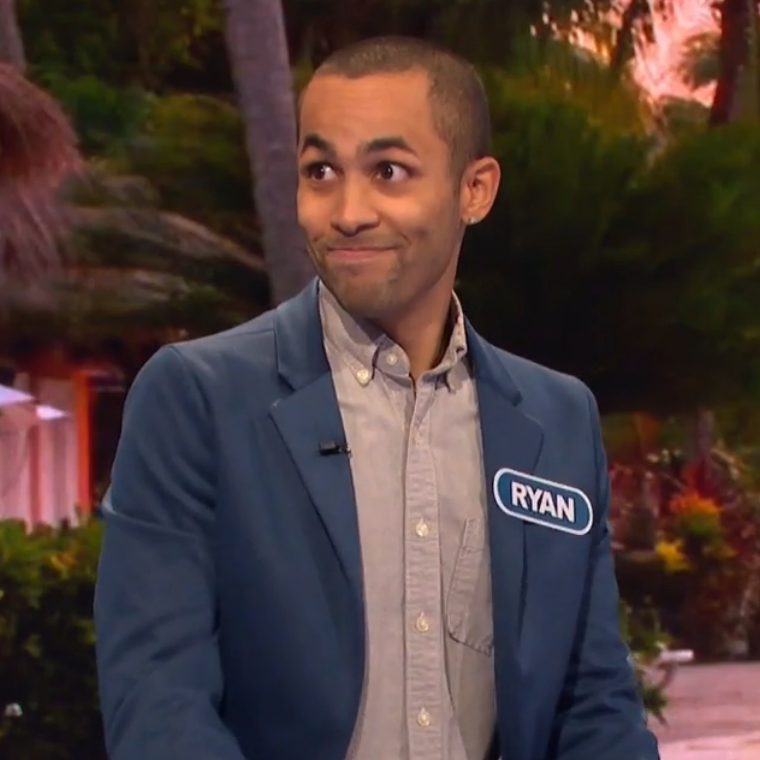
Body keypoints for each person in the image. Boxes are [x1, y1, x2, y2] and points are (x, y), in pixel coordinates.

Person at [94, 35, 660, 760]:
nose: (348, 211)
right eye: (321, 171)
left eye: (388, 171)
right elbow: (159, 704)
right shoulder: (196, 399)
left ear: (475, 190)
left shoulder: (560, 420)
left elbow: (595, 703)